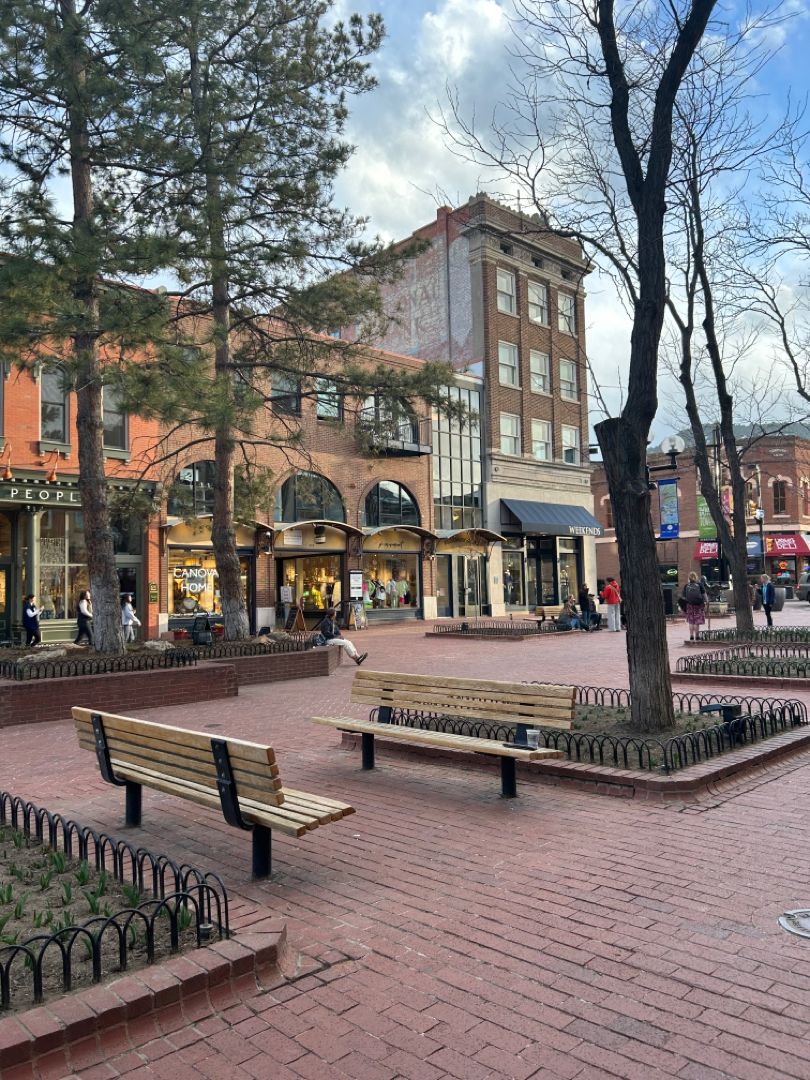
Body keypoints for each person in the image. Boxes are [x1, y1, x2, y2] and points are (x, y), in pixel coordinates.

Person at [681, 571, 707, 641]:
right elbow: (704, 594)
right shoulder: (699, 584)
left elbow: (683, 597)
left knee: (691, 621)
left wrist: (682, 608)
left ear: (689, 578)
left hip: (689, 605)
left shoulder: (686, 586)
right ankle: (697, 636)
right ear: (696, 577)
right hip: (698, 605)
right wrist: (707, 601)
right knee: (697, 621)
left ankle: (691, 636)